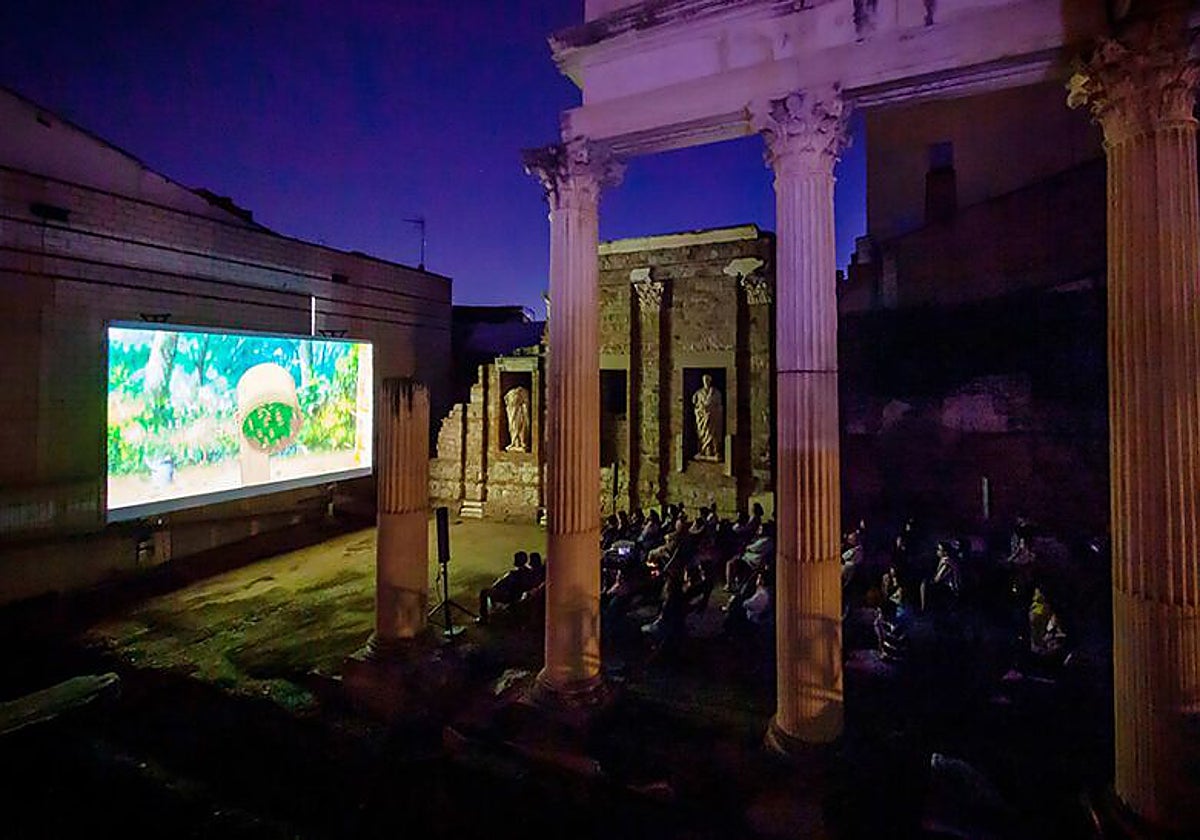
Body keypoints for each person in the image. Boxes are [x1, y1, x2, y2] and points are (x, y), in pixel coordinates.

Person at [477, 551, 535, 624]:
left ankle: (484, 617)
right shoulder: (529, 572)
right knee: (495, 590)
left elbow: (500, 584)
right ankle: (494, 610)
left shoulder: (514, 574)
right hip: (518, 595)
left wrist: (497, 586)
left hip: (510, 596)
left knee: (484, 592)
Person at [921, 541, 961, 612]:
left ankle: (924, 609)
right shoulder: (945, 560)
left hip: (951, 590)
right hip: (947, 587)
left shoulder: (947, 563)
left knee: (924, 584)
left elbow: (937, 579)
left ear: (945, 552)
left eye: (939, 549)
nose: (937, 551)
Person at [692, 373, 724, 460]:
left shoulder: (716, 393)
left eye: (707, 380)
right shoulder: (698, 393)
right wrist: (701, 411)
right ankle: (704, 451)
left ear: (710, 381)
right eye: (704, 380)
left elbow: (719, 407)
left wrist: (712, 411)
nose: (706, 382)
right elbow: (696, 406)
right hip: (702, 419)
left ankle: (715, 451)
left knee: (713, 435)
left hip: (713, 419)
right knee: (702, 434)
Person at [503, 386, 530, 452]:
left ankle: (522, 443)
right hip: (513, 416)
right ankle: (515, 443)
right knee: (512, 428)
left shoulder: (522, 406)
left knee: (521, 428)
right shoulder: (509, 406)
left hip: (519, 416)